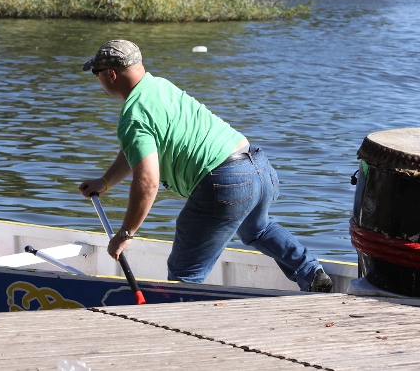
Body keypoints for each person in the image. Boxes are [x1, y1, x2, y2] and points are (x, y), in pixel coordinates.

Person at [78, 40, 333, 293]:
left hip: (226, 182)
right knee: (258, 229)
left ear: (111, 74)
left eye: (96, 73)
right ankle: (312, 273)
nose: (97, 79)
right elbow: (138, 152)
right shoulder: (160, 86)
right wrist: (106, 181)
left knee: (184, 274)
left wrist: (125, 233)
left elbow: (147, 182)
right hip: (258, 167)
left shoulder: (134, 115)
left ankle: (185, 311)